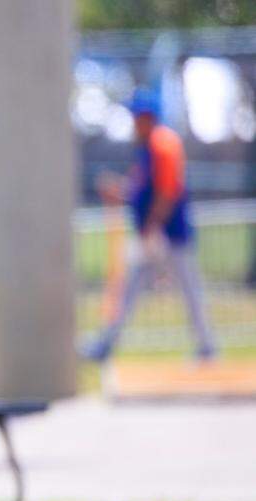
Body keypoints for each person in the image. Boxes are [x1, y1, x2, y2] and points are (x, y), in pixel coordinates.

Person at [81, 88, 218, 363]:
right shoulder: (147, 147)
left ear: (146, 118)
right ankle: (106, 342)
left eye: (135, 117)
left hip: (169, 234)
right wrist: (118, 191)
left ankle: (206, 346)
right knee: (132, 287)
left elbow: (167, 192)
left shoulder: (162, 144)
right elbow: (139, 190)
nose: (132, 123)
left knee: (189, 288)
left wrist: (153, 228)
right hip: (154, 233)